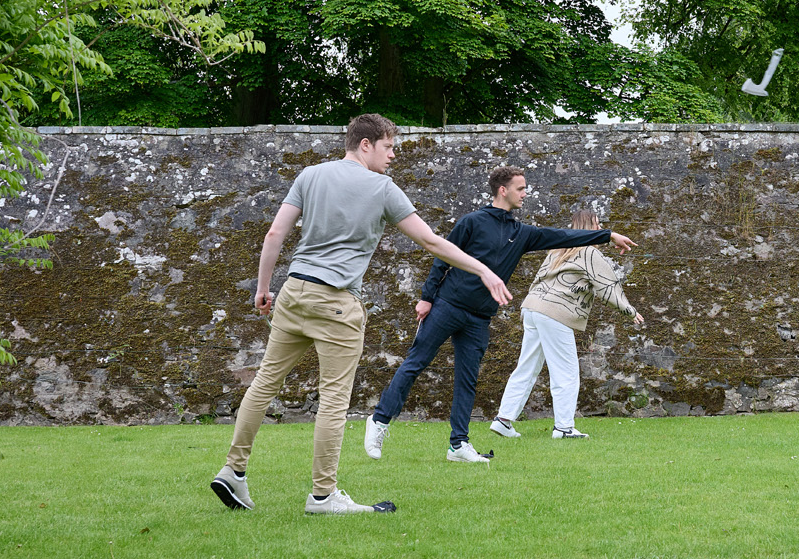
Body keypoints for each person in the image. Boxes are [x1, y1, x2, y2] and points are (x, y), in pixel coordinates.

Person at [210, 114, 513, 513]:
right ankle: (323, 495)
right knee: (334, 400)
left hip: (294, 292)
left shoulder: (310, 175)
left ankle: (233, 471)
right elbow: (430, 241)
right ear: (366, 144)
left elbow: (275, 234)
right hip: (337, 303)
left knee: (264, 383)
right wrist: (484, 269)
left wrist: (263, 288)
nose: (392, 156)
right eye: (388, 147)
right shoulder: (382, 188)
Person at [364, 167, 634, 463]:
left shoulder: (521, 233)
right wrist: (427, 298)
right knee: (416, 364)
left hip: (479, 318)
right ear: (502, 190)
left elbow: (562, 235)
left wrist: (608, 236)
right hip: (447, 306)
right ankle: (379, 421)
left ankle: (458, 445)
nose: (525, 193)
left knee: (467, 380)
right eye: (521, 188)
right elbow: (442, 257)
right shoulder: (472, 222)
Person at [489, 209, 645, 440]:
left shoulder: (558, 248)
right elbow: (607, 286)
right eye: (598, 224)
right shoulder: (590, 253)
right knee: (566, 372)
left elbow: (540, 277)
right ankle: (563, 428)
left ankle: (503, 420)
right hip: (554, 313)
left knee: (527, 367)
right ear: (591, 228)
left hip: (533, 308)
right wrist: (629, 311)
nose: (600, 227)